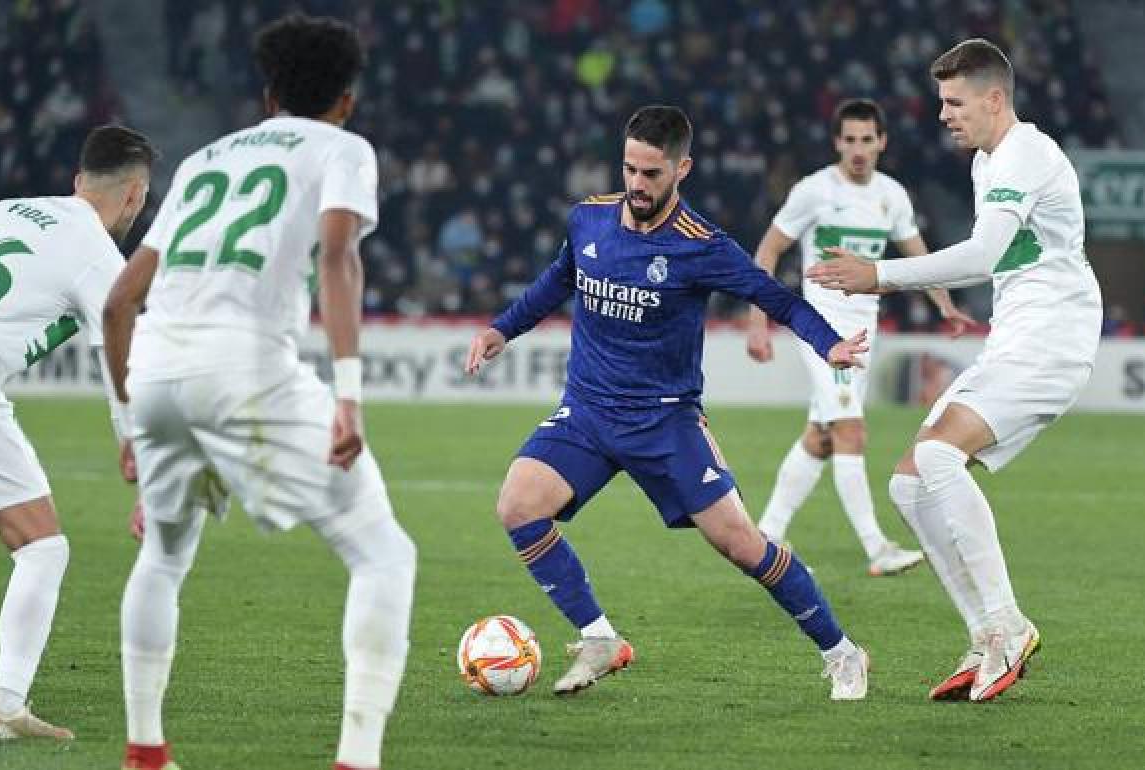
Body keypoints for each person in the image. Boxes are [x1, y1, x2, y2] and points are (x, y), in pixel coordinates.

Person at [465, 105, 872, 701]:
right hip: (588, 411)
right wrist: (501, 330)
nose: (636, 185)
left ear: (682, 168)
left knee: (742, 544)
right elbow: (559, 279)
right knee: (518, 505)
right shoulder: (589, 220)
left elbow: (776, 299)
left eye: (651, 174)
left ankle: (842, 652)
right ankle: (600, 637)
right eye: (629, 169)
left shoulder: (701, 245)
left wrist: (829, 342)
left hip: (665, 420)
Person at [102, 15, 415, 770]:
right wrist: (349, 393)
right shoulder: (343, 148)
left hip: (156, 373)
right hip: (243, 368)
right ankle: (357, 759)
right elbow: (339, 256)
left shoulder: (207, 159)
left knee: (165, 556)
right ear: (347, 97)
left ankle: (146, 752)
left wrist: (127, 424)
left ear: (269, 93)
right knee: (383, 556)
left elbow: (118, 303)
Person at [807, 38, 1102, 702]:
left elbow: (983, 254)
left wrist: (879, 277)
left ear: (994, 99)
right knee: (910, 486)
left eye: (954, 101)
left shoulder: (1027, 153)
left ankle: (1008, 624)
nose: (943, 114)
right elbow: (996, 262)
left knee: (938, 460)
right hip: (1017, 340)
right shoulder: (988, 162)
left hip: (1053, 336)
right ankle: (984, 634)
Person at [0, 124, 154, 740]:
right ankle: (5, 708)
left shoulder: (2, 210)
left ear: (77, 182)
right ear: (136, 198)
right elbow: (117, 354)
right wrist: (135, 446)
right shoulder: (97, 253)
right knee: (42, 547)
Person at [746, 98, 976, 576]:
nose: (857, 149)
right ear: (836, 143)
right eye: (849, 140)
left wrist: (945, 304)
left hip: (861, 331)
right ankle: (877, 548)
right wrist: (757, 319)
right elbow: (768, 249)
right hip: (820, 328)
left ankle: (766, 532)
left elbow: (917, 257)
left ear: (882, 143)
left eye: (866, 140)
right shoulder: (813, 191)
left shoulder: (892, 196)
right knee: (850, 430)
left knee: (823, 436)